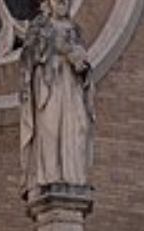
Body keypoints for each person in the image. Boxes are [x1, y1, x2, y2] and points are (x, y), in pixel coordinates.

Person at [19, 0, 94, 196]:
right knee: (50, 129)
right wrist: (54, 50)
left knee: (78, 128)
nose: (62, 2)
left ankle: (74, 176)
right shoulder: (40, 27)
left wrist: (82, 66)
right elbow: (28, 59)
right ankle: (49, 176)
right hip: (49, 85)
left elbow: (84, 62)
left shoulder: (75, 30)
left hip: (72, 86)